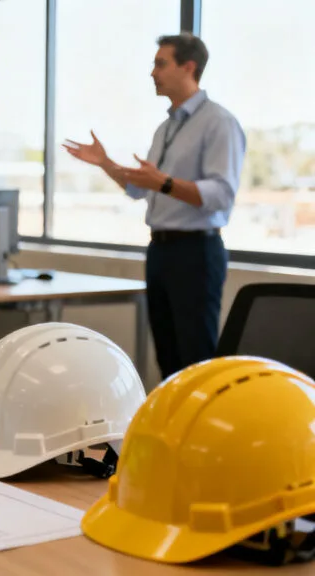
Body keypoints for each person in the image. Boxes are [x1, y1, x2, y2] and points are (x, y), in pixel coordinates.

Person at [64, 32, 245, 380]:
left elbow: (221, 194)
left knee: (196, 359)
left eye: (160, 64)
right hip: (160, 251)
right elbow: (140, 188)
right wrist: (105, 163)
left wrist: (163, 182)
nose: (152, 73)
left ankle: (202, 434)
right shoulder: (166, 127)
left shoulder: (218, 122)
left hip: (196, 251)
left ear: (188, 67)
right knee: (168, 357)